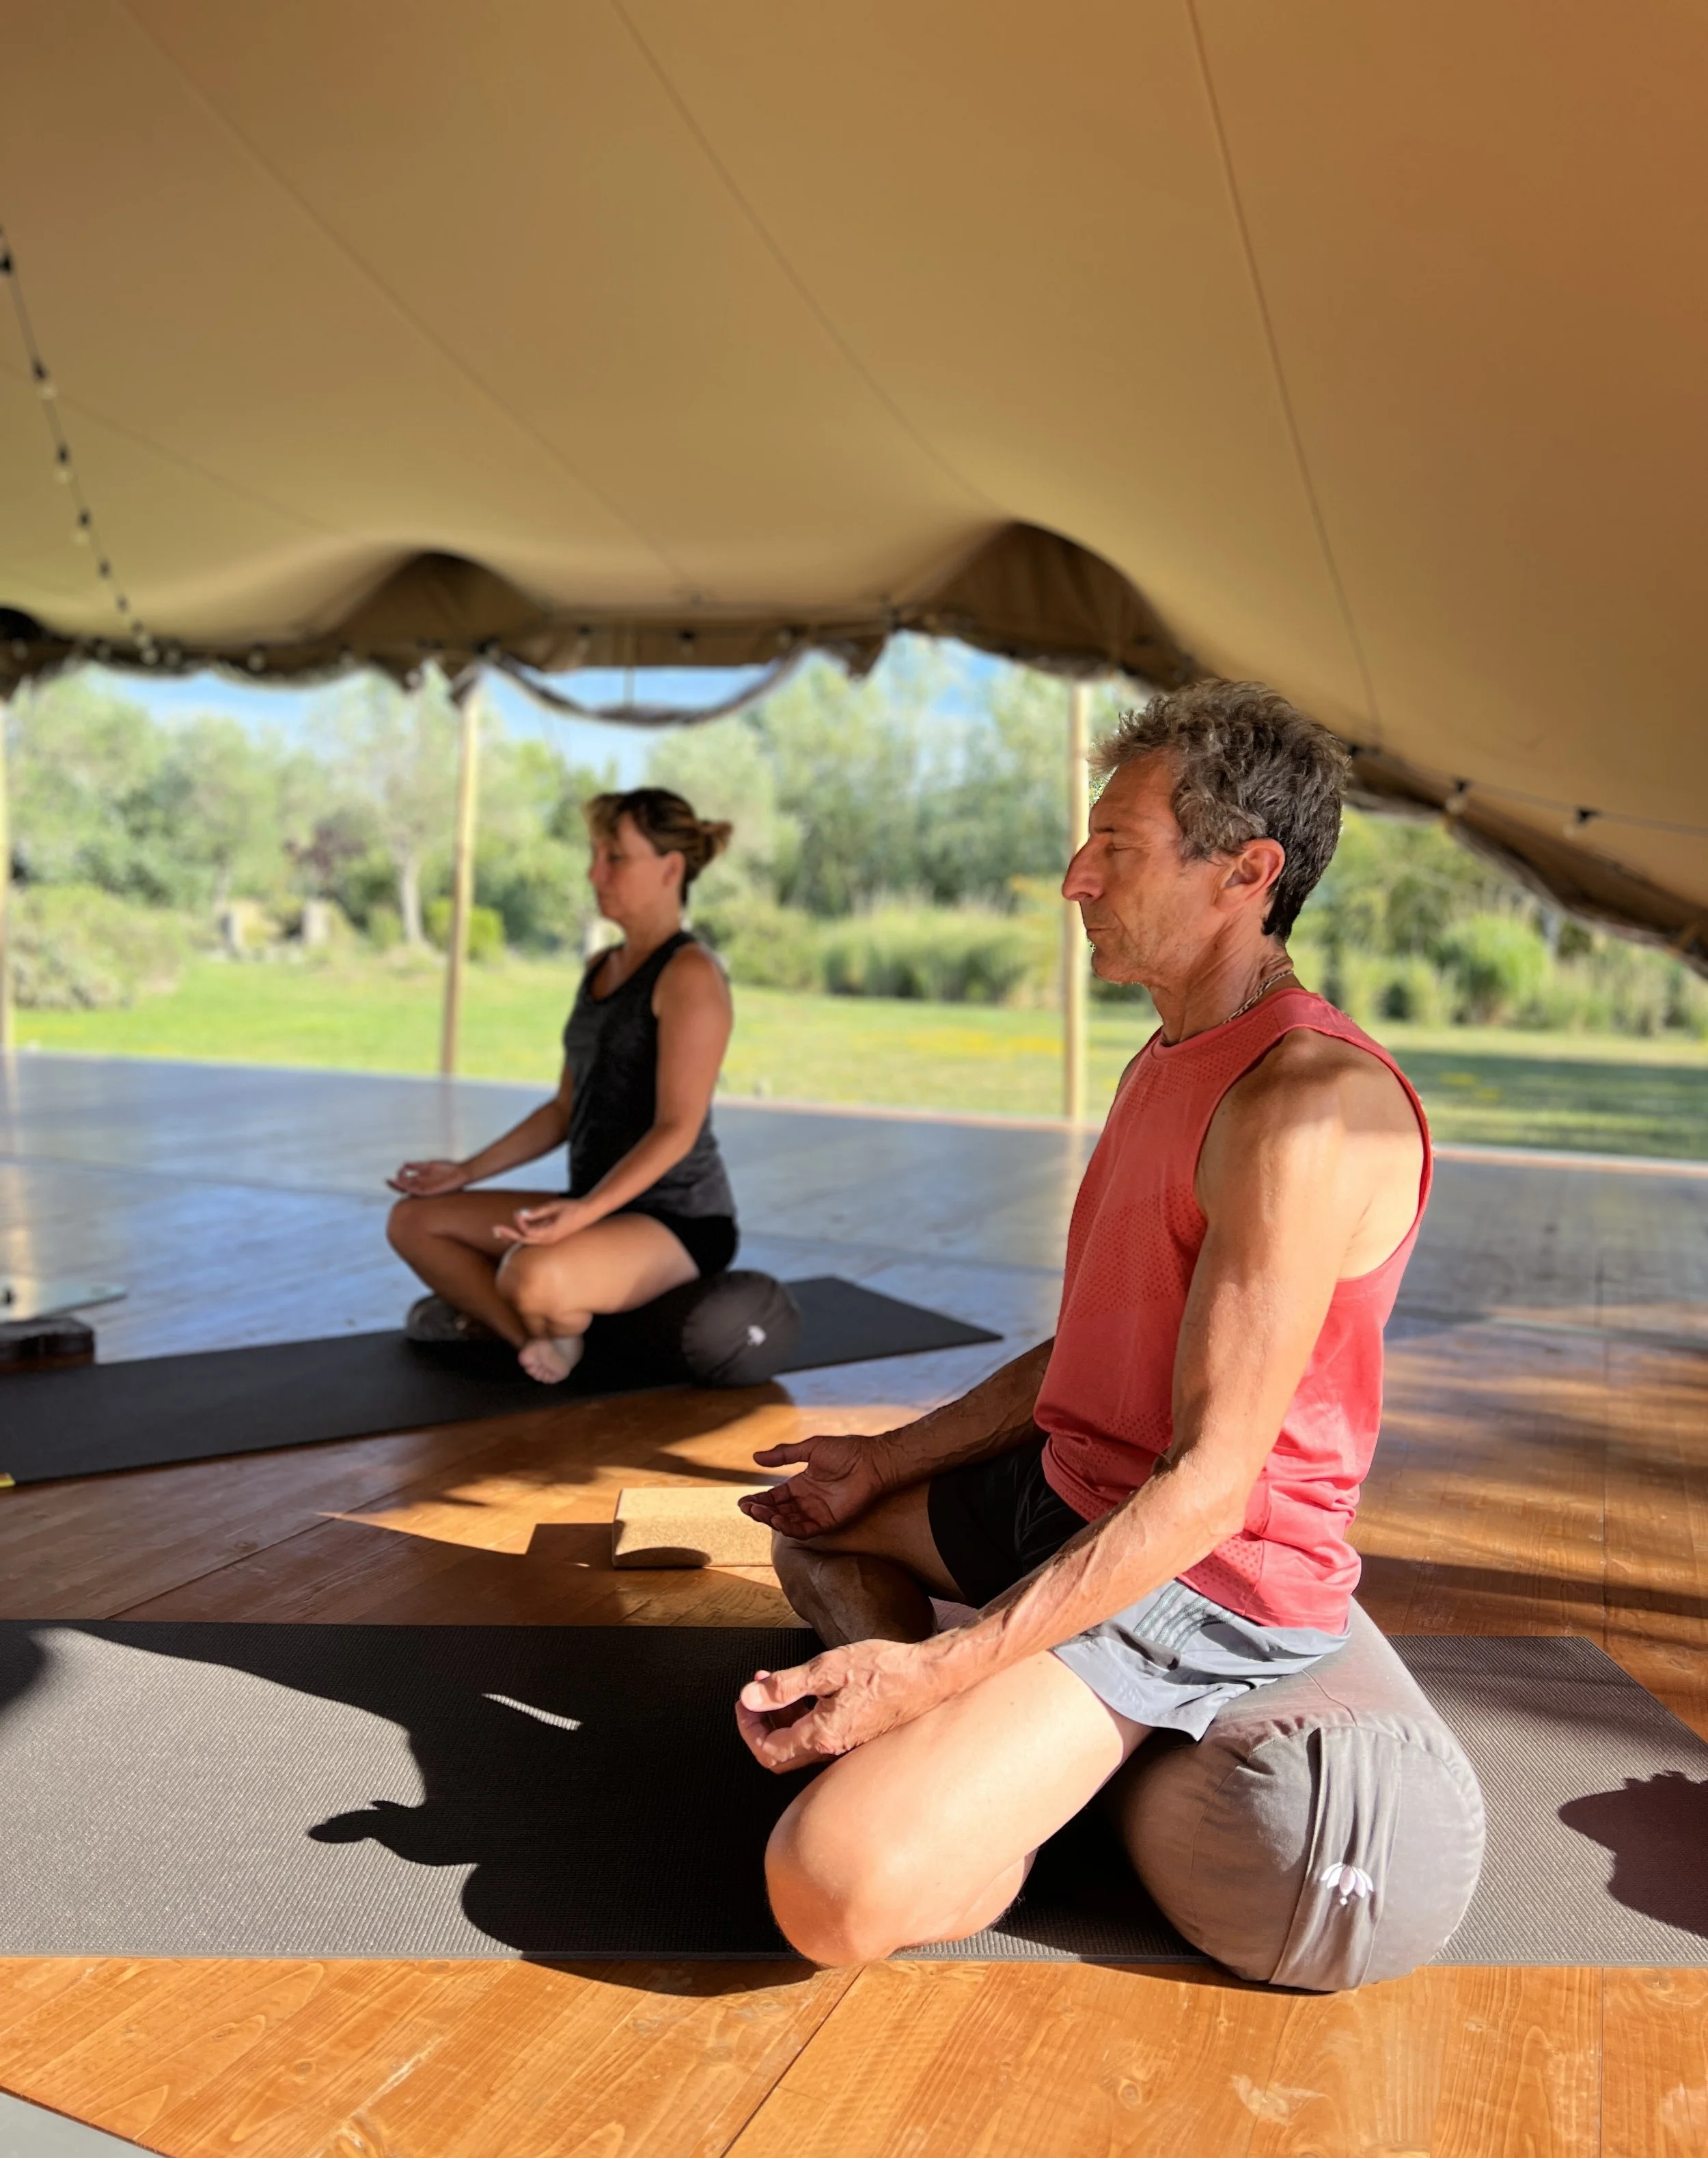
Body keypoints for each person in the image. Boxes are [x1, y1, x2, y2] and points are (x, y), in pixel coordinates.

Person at [734, 681, 1431, 1965]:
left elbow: (1214, 1485)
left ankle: (989, 1779)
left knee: (827, 1889)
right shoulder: (1168, 1053)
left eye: (1117, 847)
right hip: (1075, 1490)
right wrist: (887, 1461)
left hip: (1206, 1576)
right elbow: (1104, 1343)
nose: (1075, 876)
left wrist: (939, 1675)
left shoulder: (1307, 1104)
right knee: (817, 1534)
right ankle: (969, 1752)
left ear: (1249, 870)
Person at [387, 788, 739, 1384]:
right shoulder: (600, 969)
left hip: (676, 1220)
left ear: (671, 869)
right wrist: (465, 1172)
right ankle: (538, 1340)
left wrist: (582, 1213)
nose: (594, 872)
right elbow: (565, 1107)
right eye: (595, 854)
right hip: (594, 1208)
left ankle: (547, 1323)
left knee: (528, 1274)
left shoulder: (691, 974)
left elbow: (677, 1128)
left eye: (615, 857)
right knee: (414, 1220)